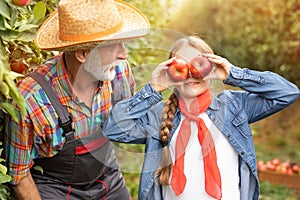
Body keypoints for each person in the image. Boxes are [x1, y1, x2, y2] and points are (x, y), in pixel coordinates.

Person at [103, 36, 300, 200]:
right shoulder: (158, 116)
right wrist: (153, 89)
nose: (190, 73)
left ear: (211, 66)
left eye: (198, 64)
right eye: (182, 66)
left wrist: (234, 74)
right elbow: (114, 128)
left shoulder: (233, 107)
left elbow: (286, 93)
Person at [4, 0, 150, 199]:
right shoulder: (32, 99)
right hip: (56, 188)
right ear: (83, 54)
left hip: (106, 178)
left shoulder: (118, 71)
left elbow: (130, 122)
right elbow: (19, 174)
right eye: (113, 47)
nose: (124, 55)